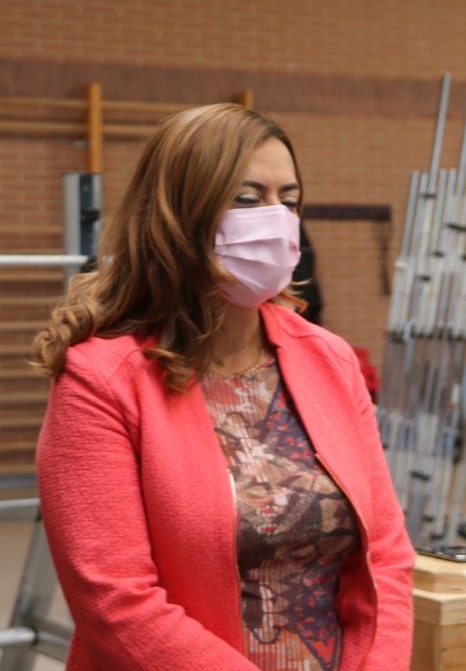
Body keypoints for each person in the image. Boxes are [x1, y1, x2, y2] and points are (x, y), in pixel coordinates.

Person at [32, 104, 415, 670]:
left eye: (289, 199)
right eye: (247, 197)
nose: (277, 219)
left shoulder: (328, 359)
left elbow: (385, 558)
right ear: (178, 214)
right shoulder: (102, 381)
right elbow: (116, 601)